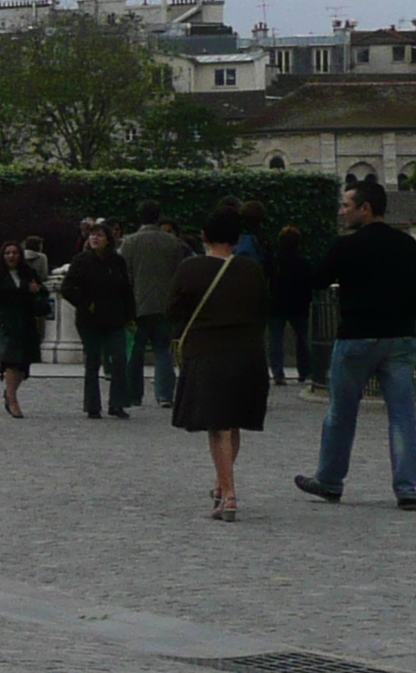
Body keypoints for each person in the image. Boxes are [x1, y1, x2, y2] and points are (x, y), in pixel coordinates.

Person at [297, 180, 416, 510]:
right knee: (402, 415)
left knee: (341, 413)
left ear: (365, 208)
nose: (342, 212)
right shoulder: (408, 246)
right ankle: (406, 487)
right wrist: (404, 318)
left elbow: (317, 280)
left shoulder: (347, 247)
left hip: (357, 335)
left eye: (346, 205)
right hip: (399, 336)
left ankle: (330, 480)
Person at [167, 200, 271, 520]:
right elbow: (265, 308)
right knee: (233, 422)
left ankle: (228, 493)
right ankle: (220, 481)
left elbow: (174, 312)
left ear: (203, 236)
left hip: (208, 352)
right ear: (237, 240)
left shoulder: (190, 269)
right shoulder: (252, 269)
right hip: (248, 352)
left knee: (218, 426)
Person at [59, 221, 139, 419]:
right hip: (90, 319)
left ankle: (118, 403)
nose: (94, 238)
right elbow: (67, 288)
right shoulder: (81, 261)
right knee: (92, 361)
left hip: (115, 318)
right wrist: (85, 304)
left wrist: (130, 316)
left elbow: (126, 290)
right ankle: (92, 405)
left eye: (99, 235)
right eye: (92, 235)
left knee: (119, 360)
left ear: (108, 240)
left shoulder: (117, 262)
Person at [119, 202, 190, 412]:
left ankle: (133, 395)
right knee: (163, 351)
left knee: (135, 351)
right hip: (165, 304)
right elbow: (179, 274)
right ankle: (165, 394)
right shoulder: (172, 242)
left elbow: (126, 276)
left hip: (137, 304)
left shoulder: (130, 242)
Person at [0, 237, 51, 418]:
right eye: (8, 253)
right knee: (11, 361)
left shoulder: (27, 273)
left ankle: (9, 392)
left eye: (14, 253)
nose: (11, 256)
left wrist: (36, 291)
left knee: (24, 364)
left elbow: (43, 292)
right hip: (8, 323)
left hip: (26, 322)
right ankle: (12, 399)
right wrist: (0, 321)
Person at [267, 225, 318, 387]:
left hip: (276, 304)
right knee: (302, 339)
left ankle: (277, 373)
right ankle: (304, 371)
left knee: (275, 339)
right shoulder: (303, 262)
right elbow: (309, 283)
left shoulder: (274, 262)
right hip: (298, 304)